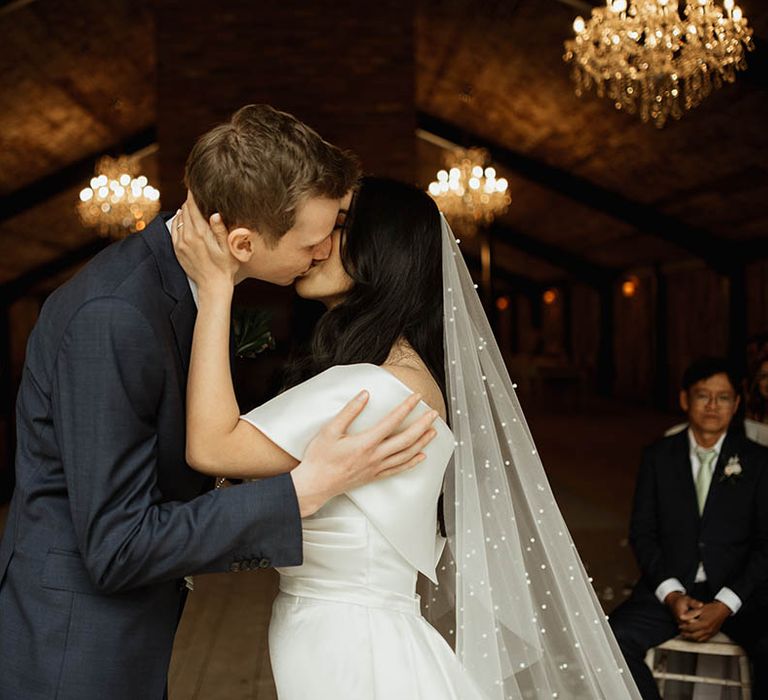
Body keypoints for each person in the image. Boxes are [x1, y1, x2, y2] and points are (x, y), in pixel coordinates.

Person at [0, 106, 438, 700]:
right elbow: (117, 545)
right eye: (316, 239)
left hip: (132, 623)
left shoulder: (183, 289)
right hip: (74, 644)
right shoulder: (117, 315)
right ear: (241, 242)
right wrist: (306, 488)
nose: (325, 250)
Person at [173, 176, 642, 699]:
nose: (319, 240)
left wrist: (216, 289)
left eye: (341, 226)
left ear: (385, 250)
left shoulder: (374, 387)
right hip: (346, 634)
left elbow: (211, 447)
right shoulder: (400, 373)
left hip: (351, 648)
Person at [609, 357, 768, 699]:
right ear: (684, 400)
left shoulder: (758, 461)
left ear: (736, 403)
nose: (713, 406)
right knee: (612, 639)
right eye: (702, 395)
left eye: (723, 397)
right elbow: (643, 533)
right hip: (672, 590)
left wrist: (725, 604)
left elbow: (765, 545)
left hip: (740, 595)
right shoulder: (658, 456)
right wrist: (672, 594)